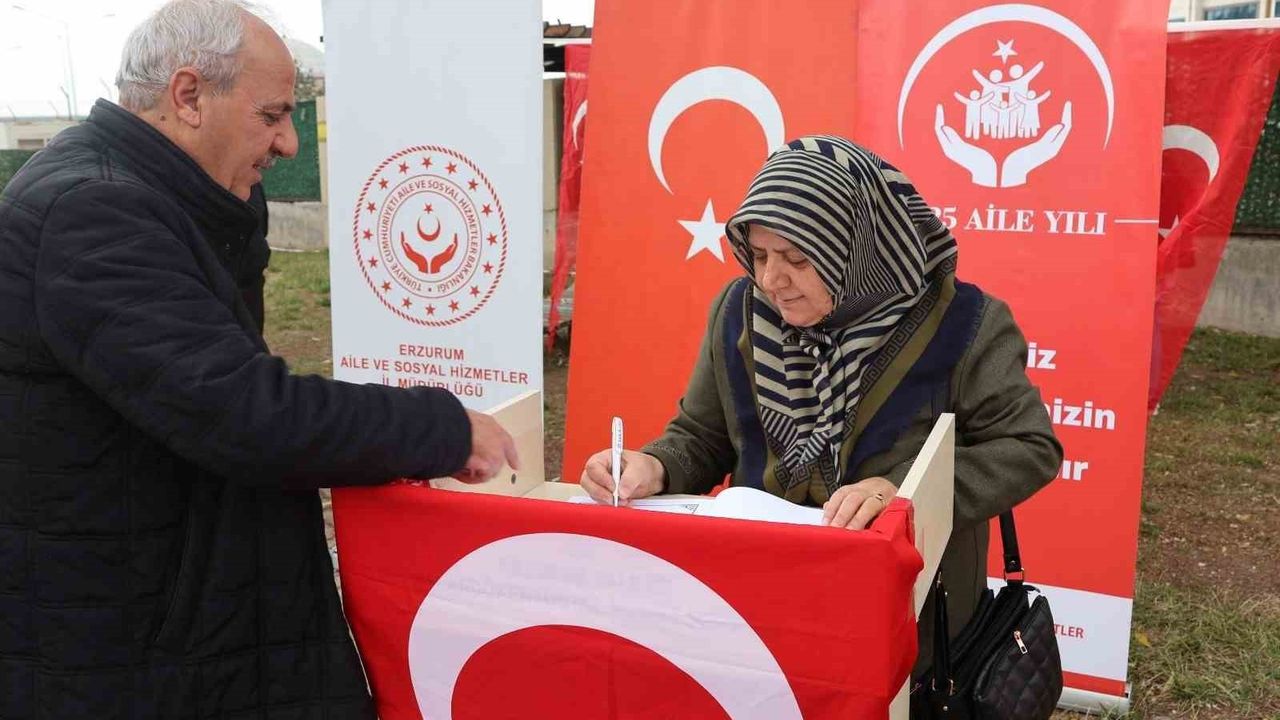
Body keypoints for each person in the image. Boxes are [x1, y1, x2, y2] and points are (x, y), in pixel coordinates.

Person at [0, 1, 516, 717]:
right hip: (131, 640)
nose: (289, 144)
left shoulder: (162, 198)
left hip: (181, 606)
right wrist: (443, 427)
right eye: (273, 115)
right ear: (188, 97)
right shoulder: (94, 212)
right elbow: (242, 411)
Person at [580, 135, 1062, 682]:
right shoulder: (739, 310)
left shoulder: (966, 324)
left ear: (854, 248)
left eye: (797, 258)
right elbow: (703, 434)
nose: (770, 280)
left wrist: (901, 494)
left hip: (908, 618)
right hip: (756, 605)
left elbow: (1028, 447)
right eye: (758, 255)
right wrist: (655, 466)